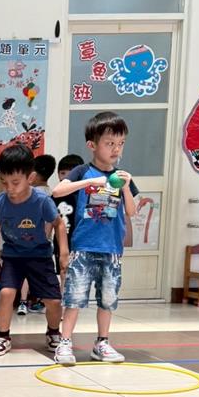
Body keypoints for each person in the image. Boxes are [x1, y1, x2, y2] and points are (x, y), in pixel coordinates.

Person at [51, 112, 138, 365]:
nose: (116, 149)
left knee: (108, 300)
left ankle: (102, 343)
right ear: (92, 145)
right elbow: (57, 191)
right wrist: (87, 182)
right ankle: (65, 342)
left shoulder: (121, 176)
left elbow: (131, 211)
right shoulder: (82, 171)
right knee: (74, 298)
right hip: (84, 247)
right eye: (109, 143)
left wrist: (125, 187)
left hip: (112, 249)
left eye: (120, 143)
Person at [0, 143, 68, 356]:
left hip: (40, 256)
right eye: (4, 182)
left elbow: (59, 224)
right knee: (6, 293)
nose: (9, 188)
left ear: (30, 178)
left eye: (15, 182)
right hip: (12, 257)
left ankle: (53, 332)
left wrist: (64, 254)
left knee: (53, 300)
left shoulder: (42, 201)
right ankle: (3, 336)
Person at [17, 152, 57, 315]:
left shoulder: (32, 194)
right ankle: (40, 302)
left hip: (31, 240)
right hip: (44, 241)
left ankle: (23, 302)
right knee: (42, 274)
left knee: (27, 272)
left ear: (34, 174)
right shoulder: (52, 194)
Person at [52, 153, 84, 290]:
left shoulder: (84, 195)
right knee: (63, 270)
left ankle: (74, 297)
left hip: (81, 242)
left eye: (71, 174)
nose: (66, 177)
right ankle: (64, 296)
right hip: (61, 241)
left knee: (79, 274)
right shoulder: (55, 196)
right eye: (62, 173)